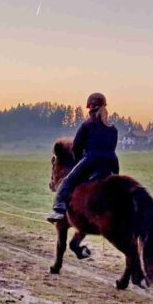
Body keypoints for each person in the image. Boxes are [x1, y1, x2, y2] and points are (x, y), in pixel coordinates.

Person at [47, 92, 119, 222]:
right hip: (112, 162)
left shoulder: (87, 125)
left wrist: (79, 159)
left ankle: (59, 209)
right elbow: (111, 147)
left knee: (67, 181)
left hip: (92, 159)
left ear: (90, 107)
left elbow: (76, 147)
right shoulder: (113, 128)